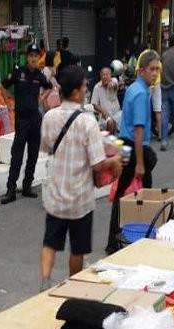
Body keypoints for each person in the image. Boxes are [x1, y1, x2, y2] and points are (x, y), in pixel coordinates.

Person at [40, 66, 122, 291]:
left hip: (56, 193)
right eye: (85, 86)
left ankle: (45, 283)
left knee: (51, 241)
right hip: (79, 199)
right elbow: (97, 163)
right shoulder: (88, 122)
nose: (87, 89)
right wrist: (114, 162)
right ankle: (73, 288)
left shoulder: (49, 117)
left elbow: (47, 148)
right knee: (78, 248)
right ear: (76, 92)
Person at [105, 50, 160, 254]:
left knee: (128, 191)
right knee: (140, 191)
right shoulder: (139, 93)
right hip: (131, 144)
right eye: (152, 69)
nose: (155, 73)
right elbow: (138, 130)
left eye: (157, 69)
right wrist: (139, 162)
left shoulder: (137, 88)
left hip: (128, 144)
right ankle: (133, 236)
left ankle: (124, 237)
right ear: (142, 70)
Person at [0, 43, 53, 205]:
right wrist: (9, 102)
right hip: (21, 119)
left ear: (38, 58)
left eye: (36, 56)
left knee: (33, 154)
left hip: (35, 119)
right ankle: (11, 189)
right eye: (31, 56)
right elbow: (2, 85)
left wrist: (41, 99)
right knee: (17, 154)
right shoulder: (18, 72)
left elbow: (49, 87)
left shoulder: (40, 75)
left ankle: (27, 185)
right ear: (27, 57)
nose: (33, 59)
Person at [138, 46, 162, 142]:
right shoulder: (156, 58)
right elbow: (160, 71)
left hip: (148, 85)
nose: (154, 72)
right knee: (158, 110)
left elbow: (138, 72)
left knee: (145, 108)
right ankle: (160, 134)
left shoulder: (142, 56)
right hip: (157, 84)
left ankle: (145, 133)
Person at [91, 67, 121, 133]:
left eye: (107, 74)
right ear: (100, 76)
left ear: (110, 75)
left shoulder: (114, 81)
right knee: (110, 123)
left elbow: (115, 84)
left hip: (117, 114)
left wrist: (113, 85)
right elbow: (95, 105)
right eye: (103, 75)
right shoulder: (97, 87)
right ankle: (110, 140)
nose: (104, 77)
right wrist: (104, 113)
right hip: (104, 117)